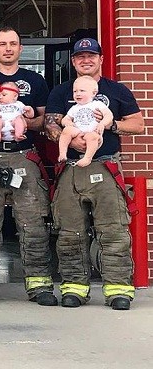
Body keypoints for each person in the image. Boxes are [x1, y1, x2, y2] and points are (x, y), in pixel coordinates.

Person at [44, 38, 144, 310]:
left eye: (91, 56)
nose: (85, 60)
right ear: (73, 61)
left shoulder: (117, 90)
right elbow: (51, 123)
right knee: (69, 232)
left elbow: (138, 124)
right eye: (79, 57)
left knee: (112, 230)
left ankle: (118, 290)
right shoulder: (62, 91)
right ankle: (74, 288)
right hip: (71, 169)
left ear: (101, 59)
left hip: (105, 165)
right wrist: (70, 140)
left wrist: (107, 129)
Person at [0, 27, 56, 306]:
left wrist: (18, 120)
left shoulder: (36, 80)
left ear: (20, 48)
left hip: (24, 157)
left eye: (13, 44)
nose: (8, 48)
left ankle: (40, 285)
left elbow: (45, 120)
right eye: (2, 44)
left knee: (33, 223)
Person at [58, 76, 113, 167]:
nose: (78, 94)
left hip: (93, 133)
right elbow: (65, 119)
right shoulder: (75, 107)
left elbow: (109, 115)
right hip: (78, 132)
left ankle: (87, 158)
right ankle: (63, 153)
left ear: (93, 93)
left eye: (82, 91)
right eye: (75, 91)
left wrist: (102, 124)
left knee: (92, 136)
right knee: (66, 131)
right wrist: (68, 123)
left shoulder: (97, 104)